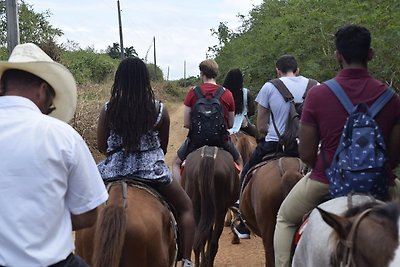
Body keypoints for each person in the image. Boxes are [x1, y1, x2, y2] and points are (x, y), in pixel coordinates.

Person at [273, 25, 400, 267]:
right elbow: (394, 155)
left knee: (285, 218)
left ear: (338, 56)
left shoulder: (319, 94)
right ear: (370, 54)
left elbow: (307, 152)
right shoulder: (391, 98)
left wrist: (322, 168)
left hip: (326, 179)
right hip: (381, 183)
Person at [0, 43, 109, 266]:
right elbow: (88, 214)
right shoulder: (63, 136)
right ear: (42, 91)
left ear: (2, 87)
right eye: (50, 104)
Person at [96, 57, 195, 267]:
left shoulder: (108, 109)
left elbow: (102, 146)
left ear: (119, 80)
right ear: (145, 80)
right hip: (150, 171)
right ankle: (186, 261)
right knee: (186, 207)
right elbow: (163, 145)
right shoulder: (159, 110)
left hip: (113, 170)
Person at [233, 55, 317, 239]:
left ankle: (242, 220)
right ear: (298, 70)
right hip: (306, 147)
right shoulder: (315, 86)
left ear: (277, 70)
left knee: (246, 172)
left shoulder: (269, 87)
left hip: (274, 144)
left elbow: (262, 125)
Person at [171, 59, 243, 183]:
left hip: (196, 141)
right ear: (216, 73)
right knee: (240, 161)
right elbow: (230, 124)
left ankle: (181, 194)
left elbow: (187, 123)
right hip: (221, 141)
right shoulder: (227, 94)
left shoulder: (193, 92)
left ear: (201, 73)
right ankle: (236, 196)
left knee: (176, 163)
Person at [223, 68, 258, 139]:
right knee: (256, 135)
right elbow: (251, 112)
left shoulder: (222, 92)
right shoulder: (246, 93)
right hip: (242, 123)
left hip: (225, 123)